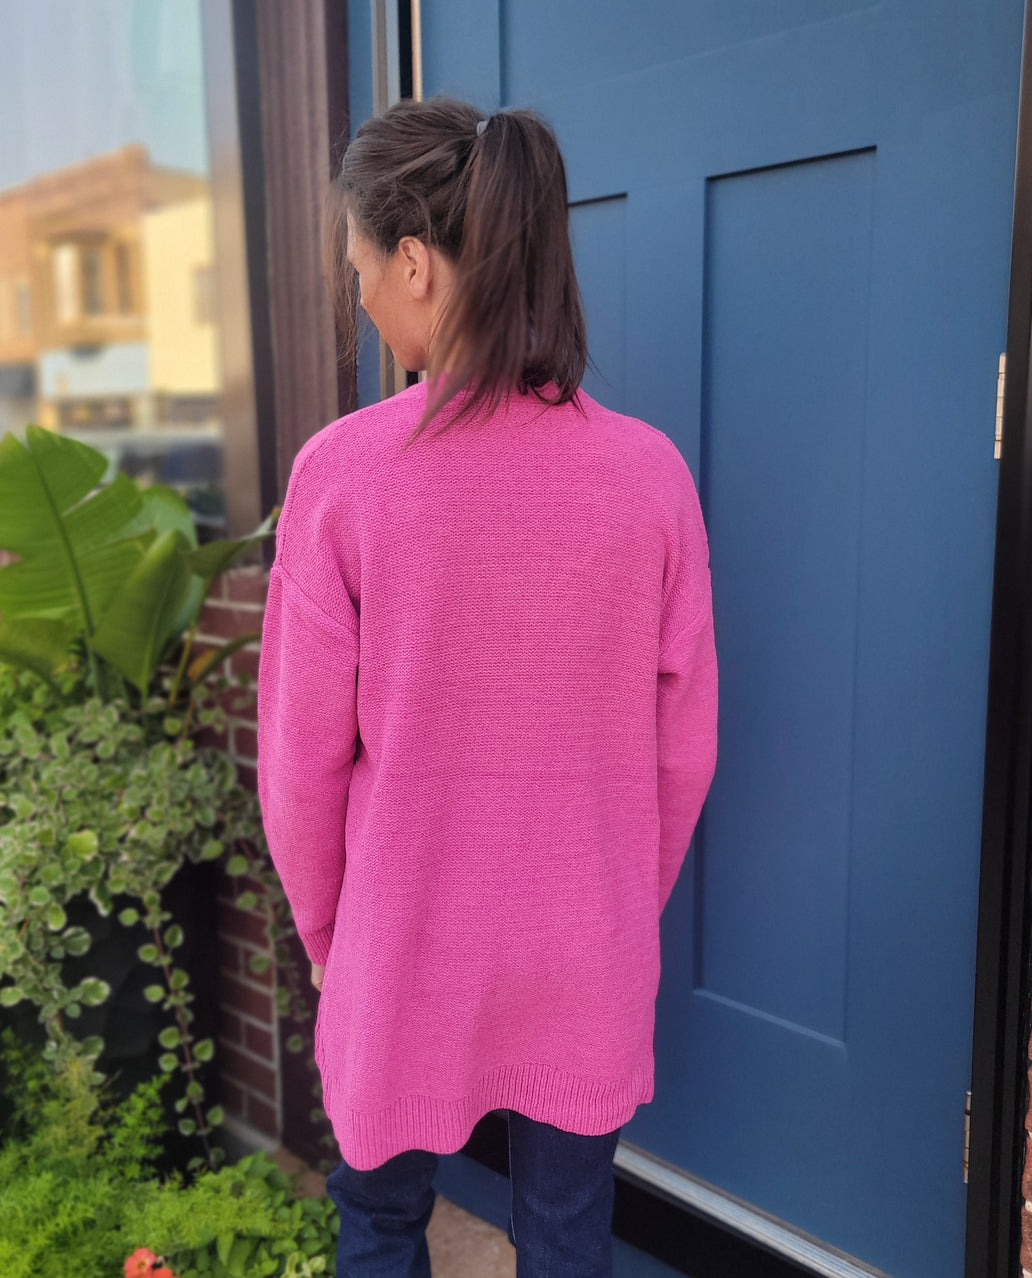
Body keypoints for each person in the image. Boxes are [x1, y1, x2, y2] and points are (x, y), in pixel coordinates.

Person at [256, 95, 718, 1278]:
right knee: (567, 1236)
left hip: (400, 948)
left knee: (381, 1225)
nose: (353, 289)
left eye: (356, 260)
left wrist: (328, 938)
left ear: (413, 263)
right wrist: (612, 906)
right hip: (585, 957)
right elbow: (685, 750)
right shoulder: (650, 477)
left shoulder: (343, 479)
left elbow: (300, 764)